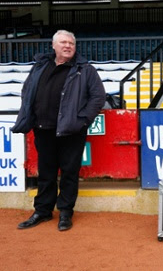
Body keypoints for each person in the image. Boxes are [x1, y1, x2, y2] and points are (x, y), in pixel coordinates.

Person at [12, 30, 106, 231]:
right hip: (43, 129)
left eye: (71, 43)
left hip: (71, 130)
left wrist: (81, 121)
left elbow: (98, 97)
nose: (68, 46)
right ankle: (42, 211)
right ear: (54, 46)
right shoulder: (41, 66)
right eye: (63, 42)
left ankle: (65, 212)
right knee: (46, 172)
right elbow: (27, 90)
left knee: (69, 172)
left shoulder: (85, 69)